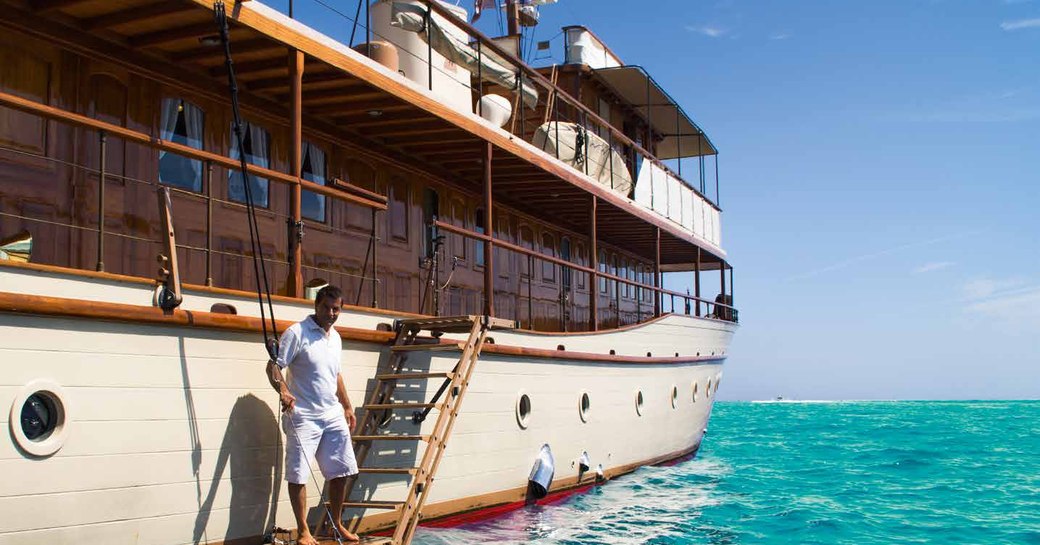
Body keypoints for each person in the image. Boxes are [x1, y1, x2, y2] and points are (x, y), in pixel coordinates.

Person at [266, 285, 360, 544]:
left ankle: (337, 524)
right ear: (316, 306)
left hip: (332, 413)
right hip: (303, 415)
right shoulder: (296, 333)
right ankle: (304, 531)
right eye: (327, 308)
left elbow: (336, 375)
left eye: (336, 309)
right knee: (298, 474)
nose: (331, 313)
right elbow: (273, 367)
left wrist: (347, 406)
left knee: (342, 471)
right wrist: (283, 390)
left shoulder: (336, 337)